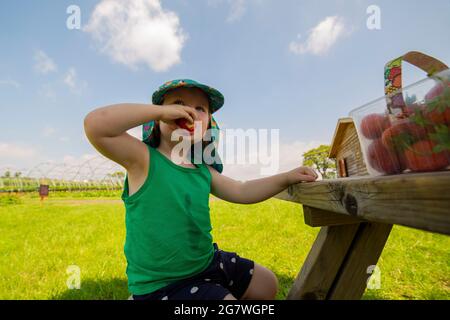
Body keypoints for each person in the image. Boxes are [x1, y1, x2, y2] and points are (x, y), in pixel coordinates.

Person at [84, 79, 318, 300]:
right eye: (178, 103)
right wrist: (160, 112)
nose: (190, 112)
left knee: (267, 284)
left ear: (207, 128)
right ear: (156, 118)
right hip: (163, 284)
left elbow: (242, 190)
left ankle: (211, 289)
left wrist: (286, 177)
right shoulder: (143, 159)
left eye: (200, 109)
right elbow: (96, 125)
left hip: (207, 264)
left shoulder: (203, 170)